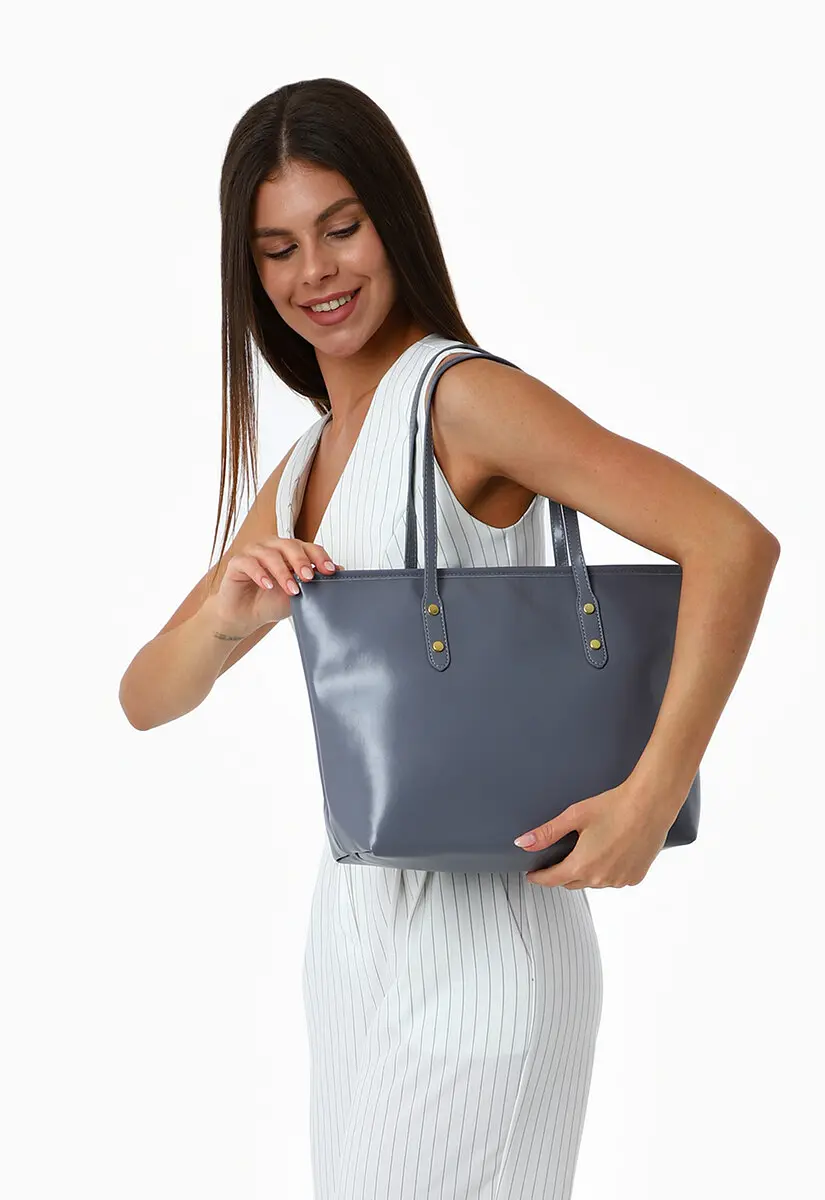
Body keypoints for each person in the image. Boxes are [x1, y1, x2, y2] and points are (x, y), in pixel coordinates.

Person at [119, 78, 780, 1199]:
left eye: (341, 228)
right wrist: (230, 619)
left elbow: (731, 543)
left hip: (485, 964)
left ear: (393, 220)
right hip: (360, 947)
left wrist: (651, 796)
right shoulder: (311, 461)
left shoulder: (461, 399)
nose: (315, 272)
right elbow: (147, 696)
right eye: (278, 249)